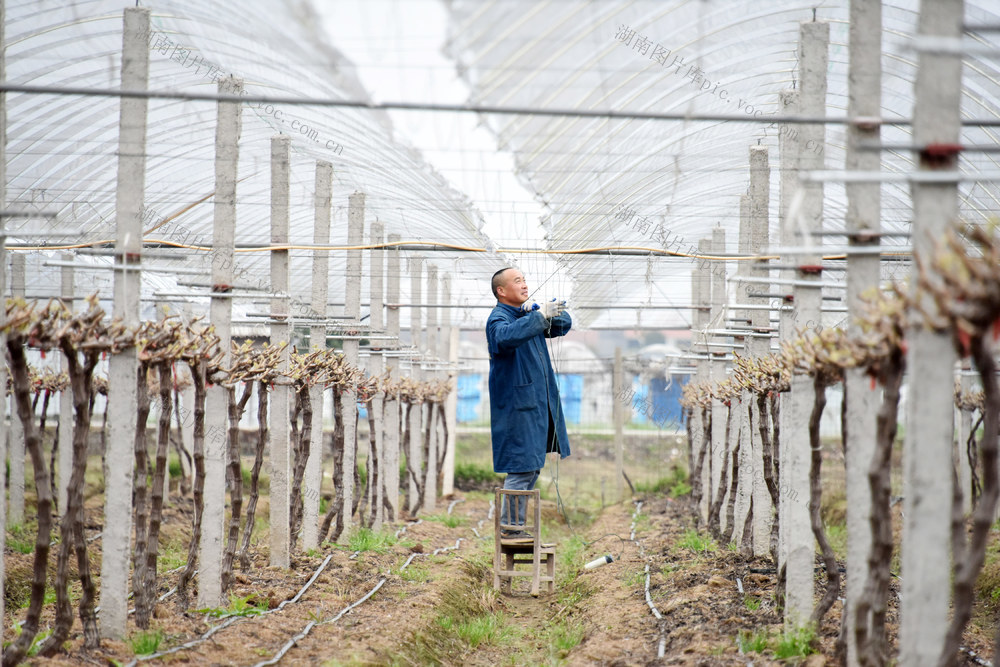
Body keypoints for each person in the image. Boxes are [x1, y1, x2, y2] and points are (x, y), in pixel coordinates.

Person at [486, 267, 572, 538]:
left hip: (534, 405)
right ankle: (511, 530)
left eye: (524, 279)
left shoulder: (525, 316)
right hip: (516, 408)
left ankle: (515, 527)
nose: (524, 284)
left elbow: (563, 325)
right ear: (501, 290)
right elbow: (505, 337)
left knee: (531, 464)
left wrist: (548, 311)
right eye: (517, 281)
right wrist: (536, 316)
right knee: (521, 465)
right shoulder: (498, 318)